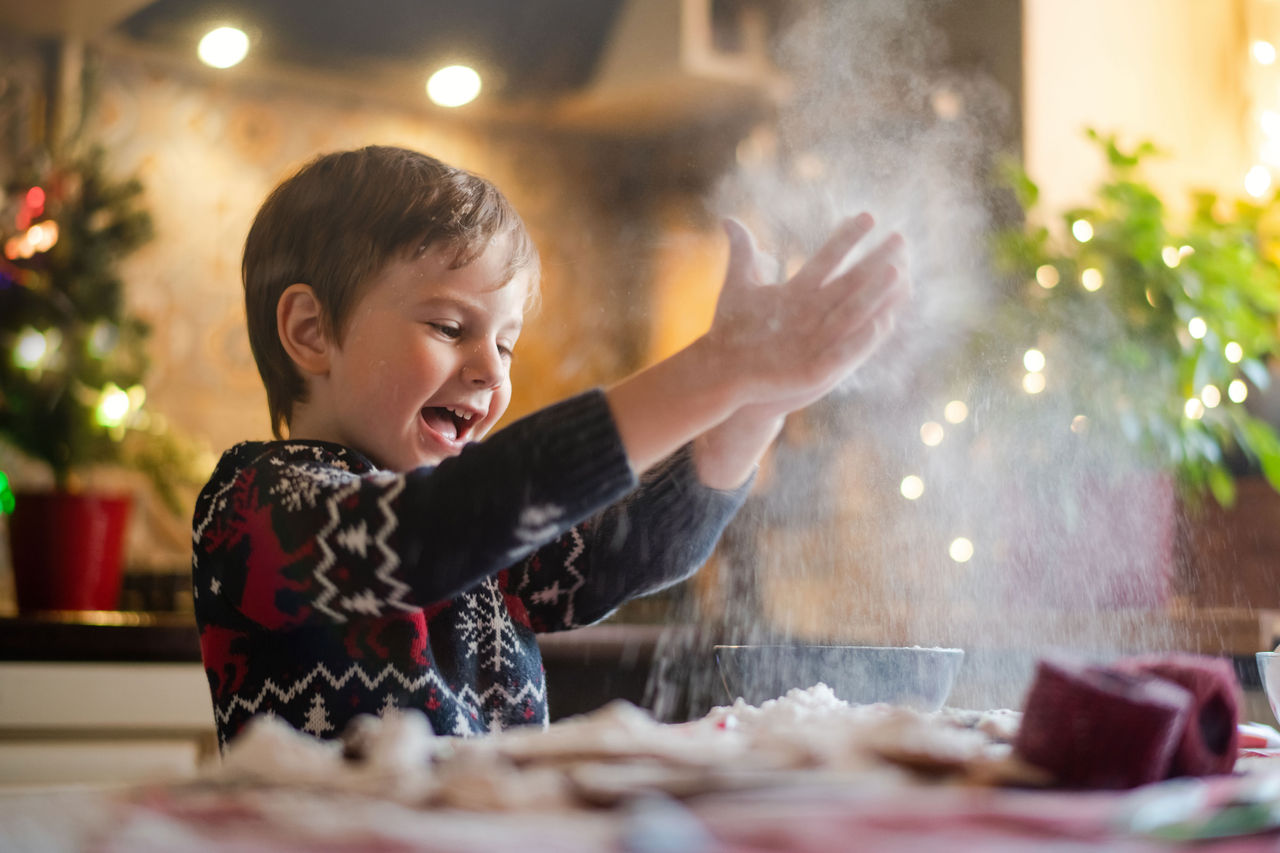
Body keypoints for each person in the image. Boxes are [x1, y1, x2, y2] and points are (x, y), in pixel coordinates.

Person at [192, 145, 908, 748]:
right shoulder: (256, 504)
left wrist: (754, 407)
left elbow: (633, 548)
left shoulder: (489, 536)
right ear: (311, 332)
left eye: (506, 342)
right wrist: (714, 367)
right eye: (449, 327)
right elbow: (428, 530)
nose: (492, 369)